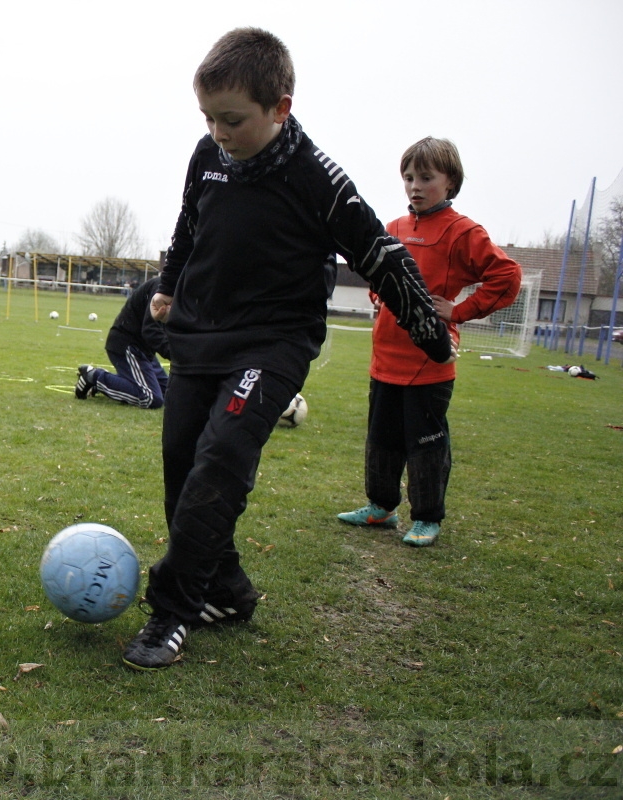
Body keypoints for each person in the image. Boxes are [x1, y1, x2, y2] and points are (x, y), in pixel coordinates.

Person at [122, 28, 456, 671]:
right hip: (200, 336)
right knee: (183, 467)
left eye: (233, 119)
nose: (219, 132)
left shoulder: (318, 178)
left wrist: (430, 332)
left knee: (219, 460)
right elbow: (188, 224)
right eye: (208, 118)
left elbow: (379, 254)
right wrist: (168, 287)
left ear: (281, 107)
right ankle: (226, 590)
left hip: (272, 346)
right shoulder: (206, 154)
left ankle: (171, 613)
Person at [337, 137, 521, 547]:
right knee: (381, 438)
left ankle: (427, 518)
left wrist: (457, 311)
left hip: (430, 363)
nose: (415, 186)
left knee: (425, 442)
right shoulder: (394, 229)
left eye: (425, 177)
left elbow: (507, 277)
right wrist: (377, 294)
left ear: (450, 182)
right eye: (408, 178)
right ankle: (380, 507)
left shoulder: (464, 232)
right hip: (384, 357)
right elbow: (375, 274)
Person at [75, 276, 170, 409]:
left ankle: (113, 384)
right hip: (128, 346)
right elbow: (151, 330)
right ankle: (93, 376)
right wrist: (177, 356)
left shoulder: (180, 290)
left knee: (169, 394)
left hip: (145, 350)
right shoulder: (162, 288)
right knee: (151, 398)